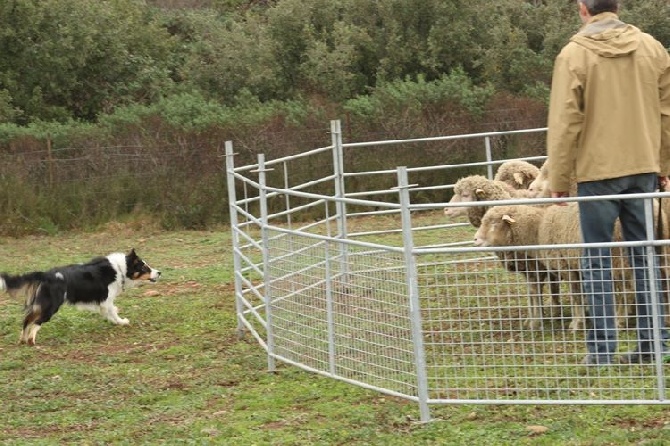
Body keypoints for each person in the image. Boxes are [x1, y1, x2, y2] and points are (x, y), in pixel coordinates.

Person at [547, 0, 670, 365]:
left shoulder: (572, 55)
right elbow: (666, 111)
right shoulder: (652, 47)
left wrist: (559, 177)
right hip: (643, 168)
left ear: (583, 9)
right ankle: (655, 344)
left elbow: (566, 120)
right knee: (645, 253)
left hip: (598, 173)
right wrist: (662, 163)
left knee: (597, 260)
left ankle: (601, 351)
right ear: (616, 7)